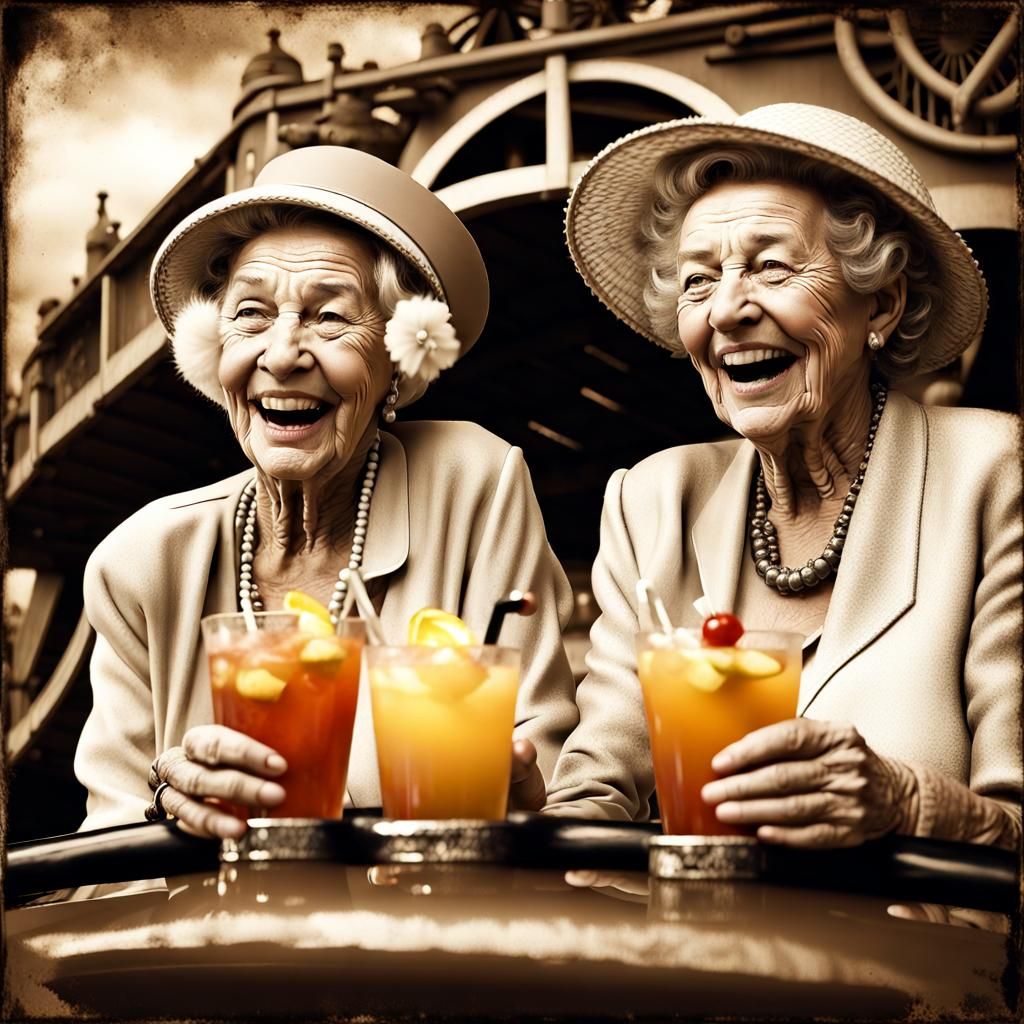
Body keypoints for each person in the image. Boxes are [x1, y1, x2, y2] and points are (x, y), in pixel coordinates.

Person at [544, 104, 1020, 850]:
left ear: (882, 303)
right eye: (699, 280)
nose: (727, 310)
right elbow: (592, 797)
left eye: (771, 266)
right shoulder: (653, 502)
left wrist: (908, 805)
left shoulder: (996, 475)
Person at [75, 146, 578, 837]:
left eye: (330, 317)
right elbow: (108, 856)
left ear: (396, 364)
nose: (282, 354)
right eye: (251, 314)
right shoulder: (140, 563)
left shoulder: (474, 483)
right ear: (212, 355)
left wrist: (510, 798)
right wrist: (169, 817)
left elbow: (544, 775)